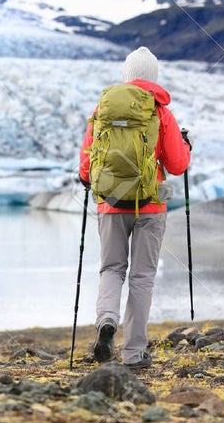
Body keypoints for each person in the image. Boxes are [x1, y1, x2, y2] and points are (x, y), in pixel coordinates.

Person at [78, 47, 191, 369]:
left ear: (127, 75)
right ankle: (134, 352)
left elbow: (87, 164)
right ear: (153, 76)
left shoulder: (104, 109)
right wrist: (186, 145)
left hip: (111, 204)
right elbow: (177, 164)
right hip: (150, 205)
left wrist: (91, 181)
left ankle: (106, 320)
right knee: (142, 276)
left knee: (112, 269)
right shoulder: (160, 112)